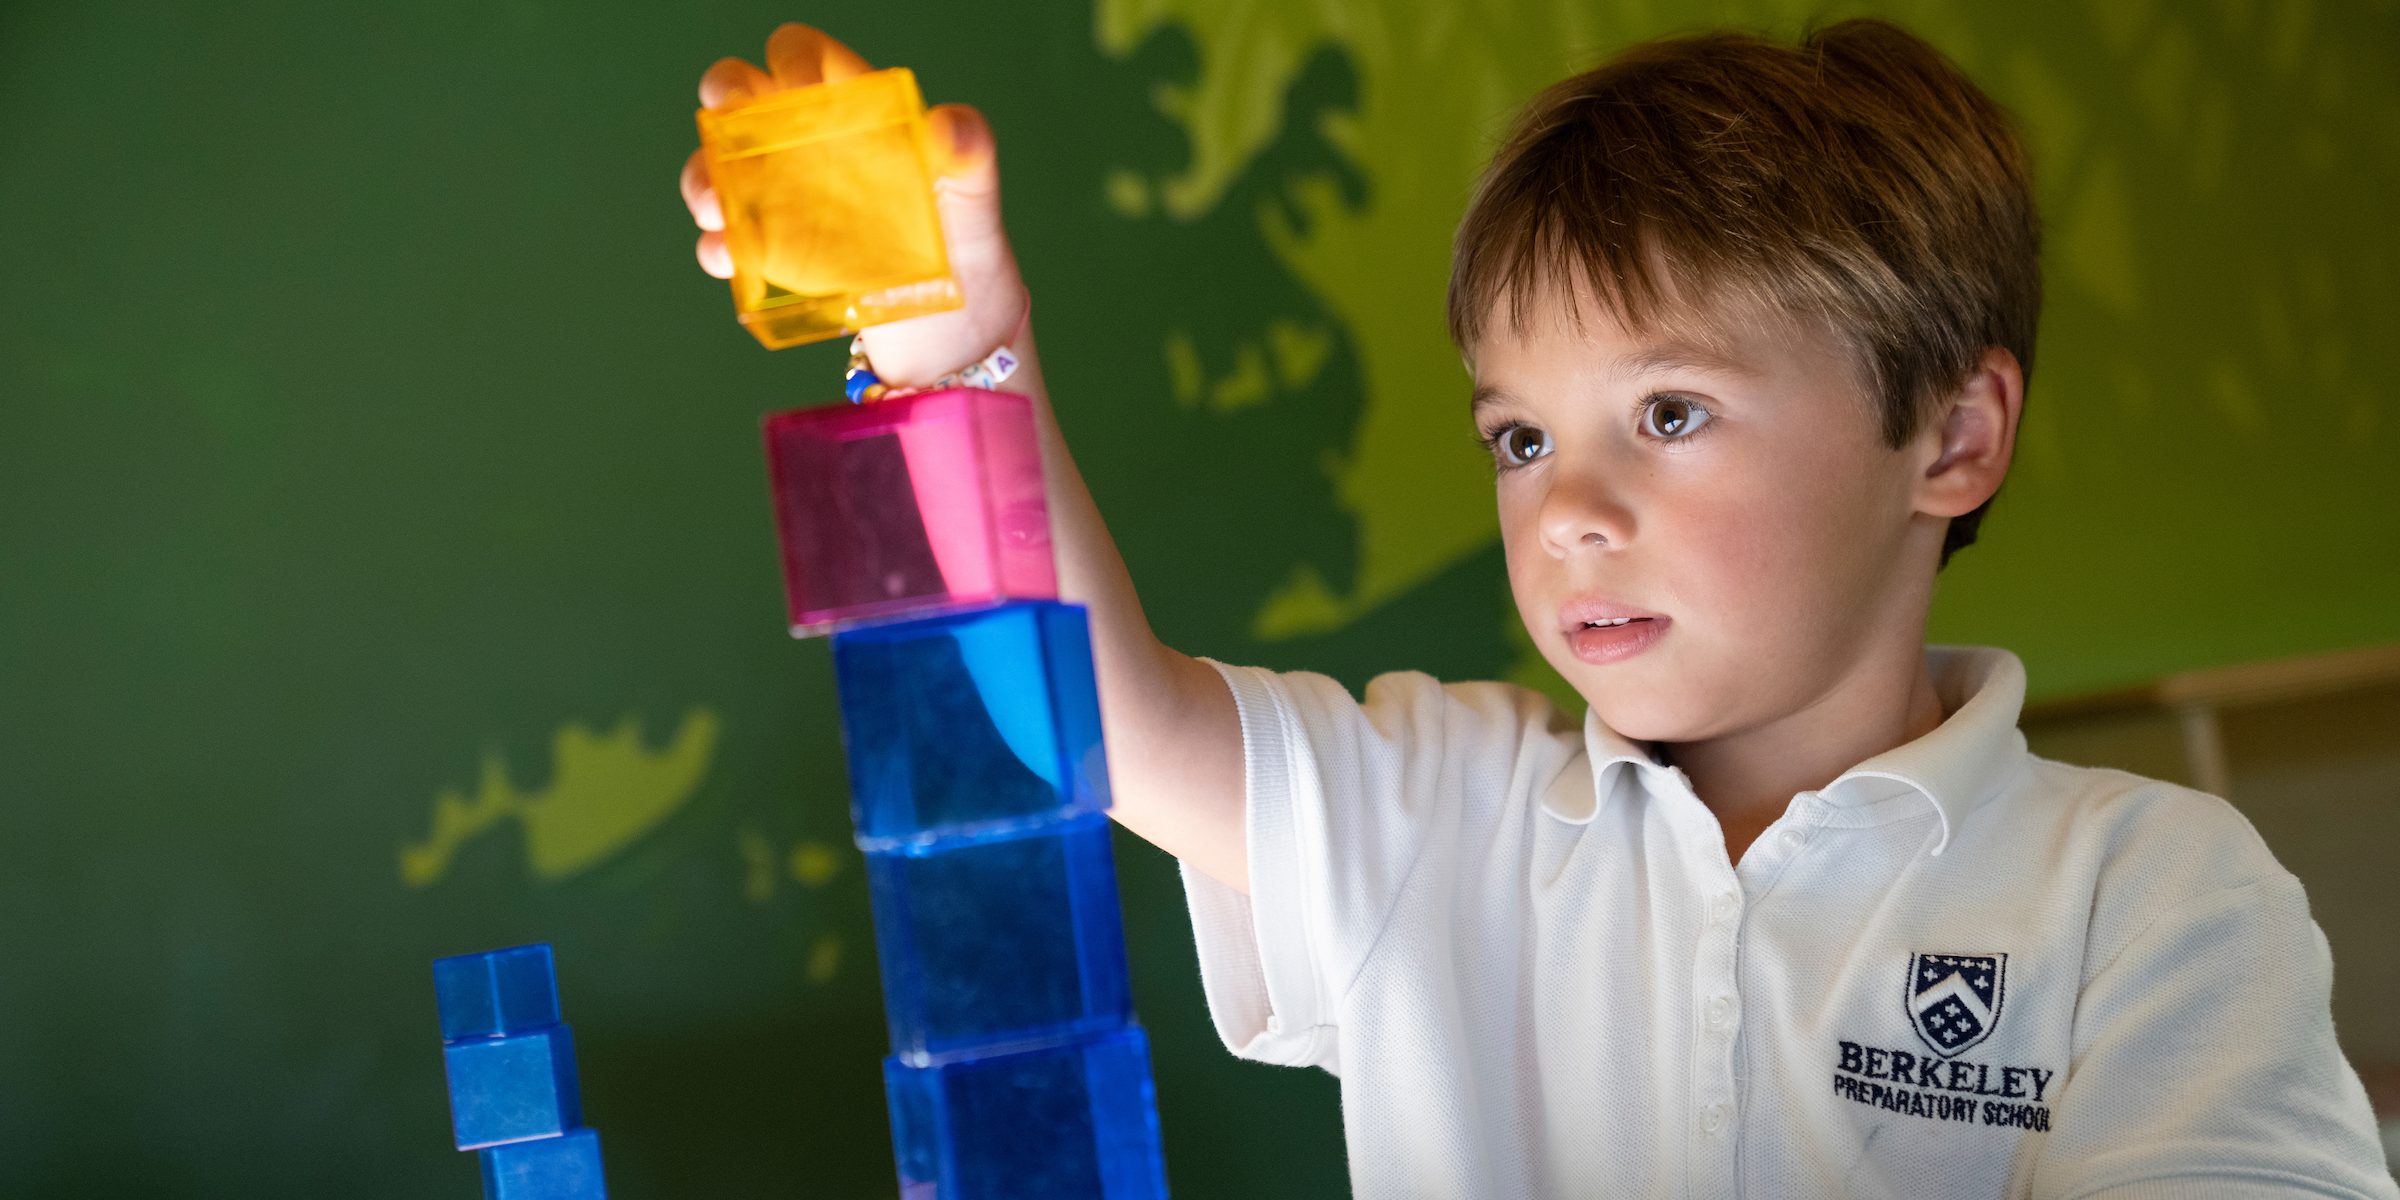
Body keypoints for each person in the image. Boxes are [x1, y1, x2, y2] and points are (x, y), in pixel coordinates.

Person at [680, 19, 2396, 1197]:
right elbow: (1086, 715)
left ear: (1951, 436)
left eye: (1671, 414)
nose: (1566, 510)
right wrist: (943, 339)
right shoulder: (1447, 807)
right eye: (1519, 435)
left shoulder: (2151, 894)